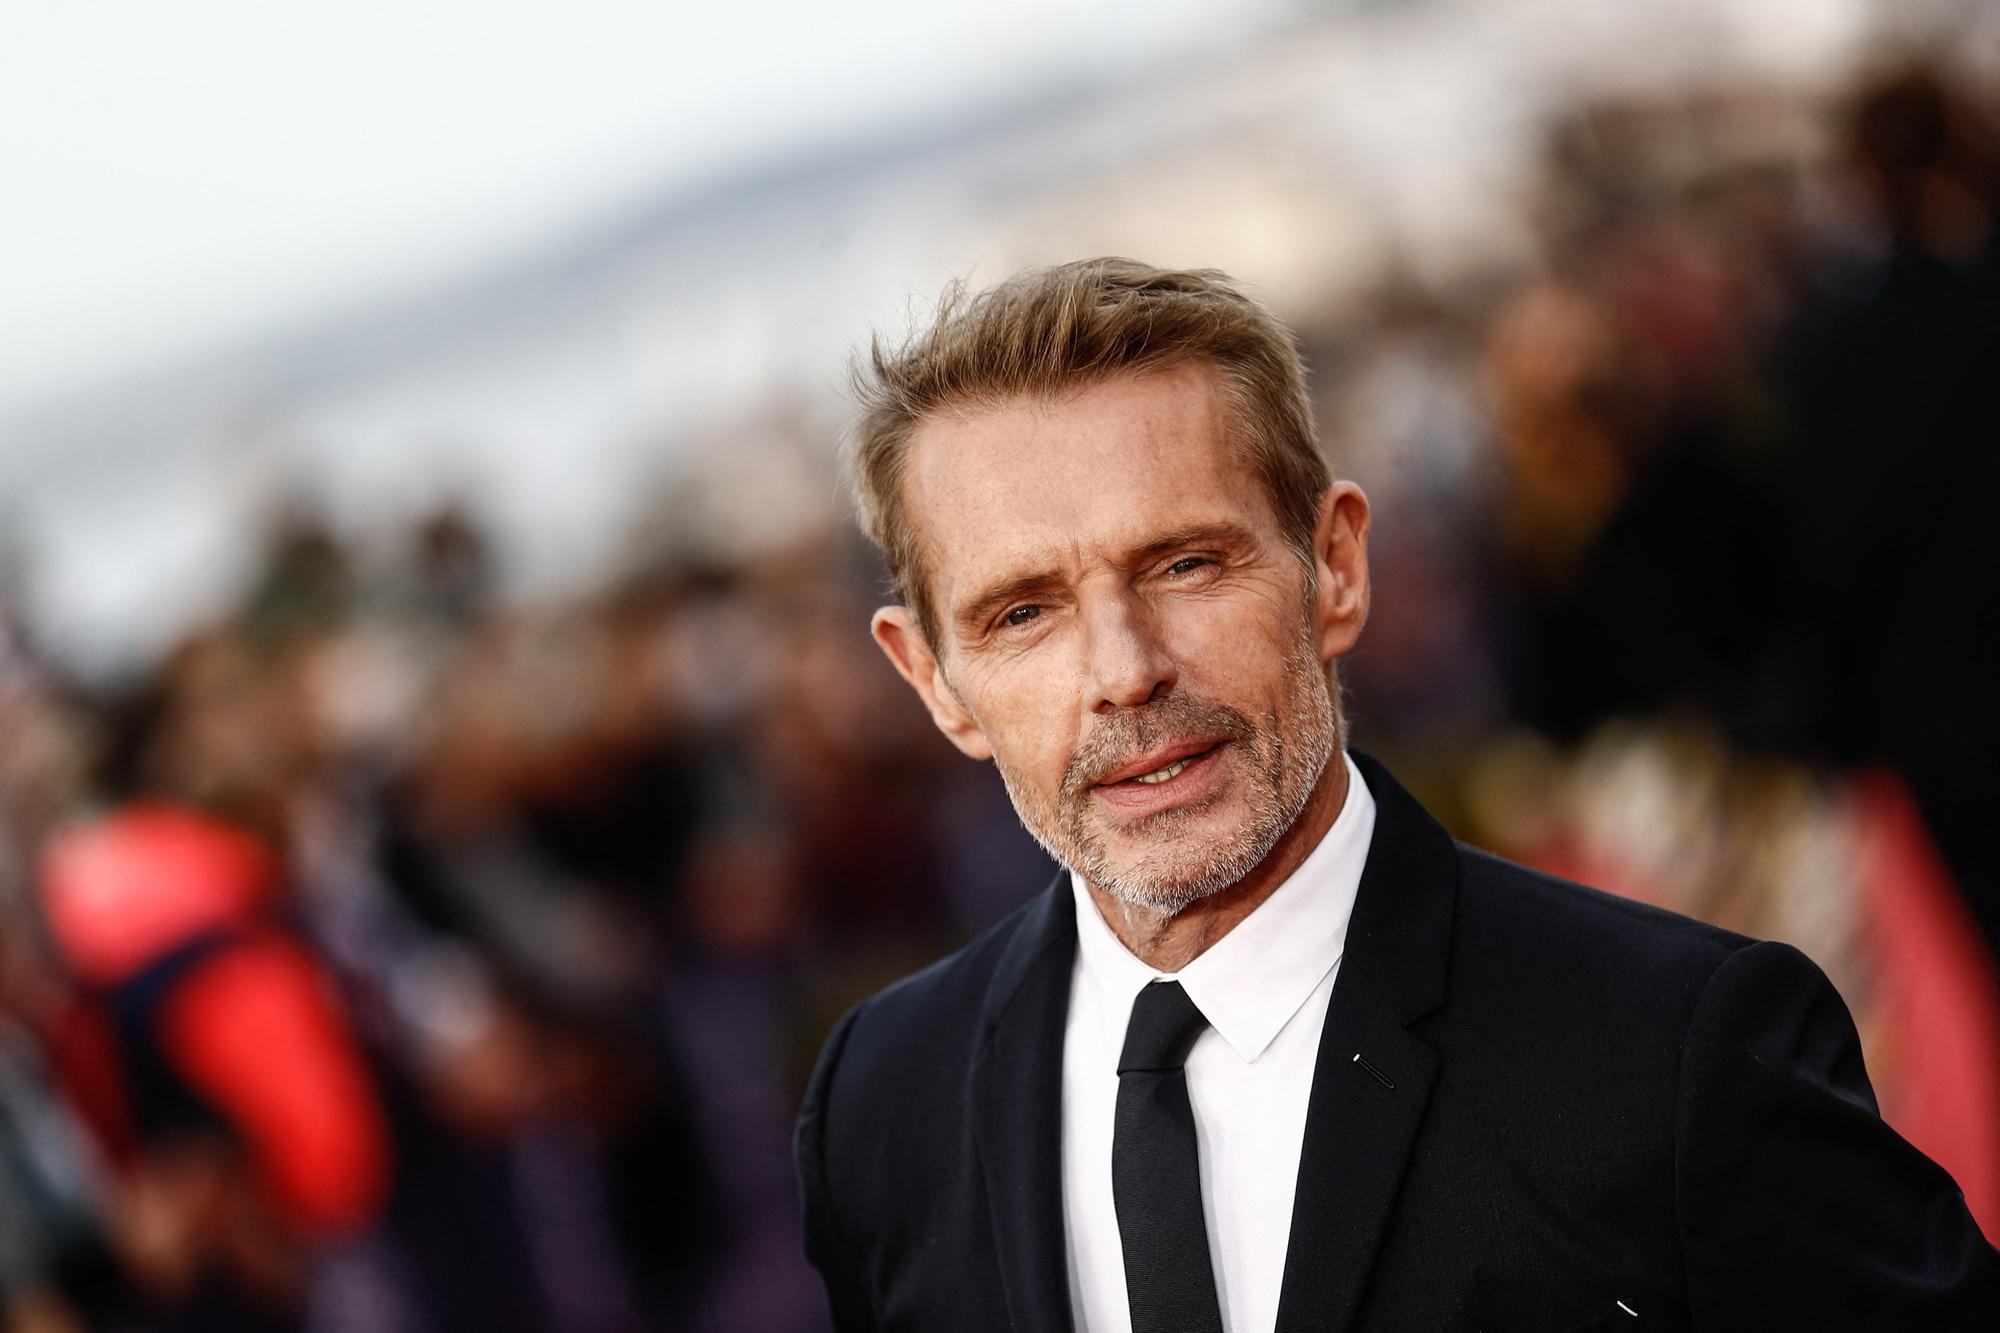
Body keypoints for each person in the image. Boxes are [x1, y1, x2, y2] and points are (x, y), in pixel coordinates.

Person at [793, 258, 1999, 1331]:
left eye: (1186, 563)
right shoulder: (878, 1106)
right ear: (933, 681)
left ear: (1333, 567)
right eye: (1022, 613)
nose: (1123, 670)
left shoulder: (1676, 1051)